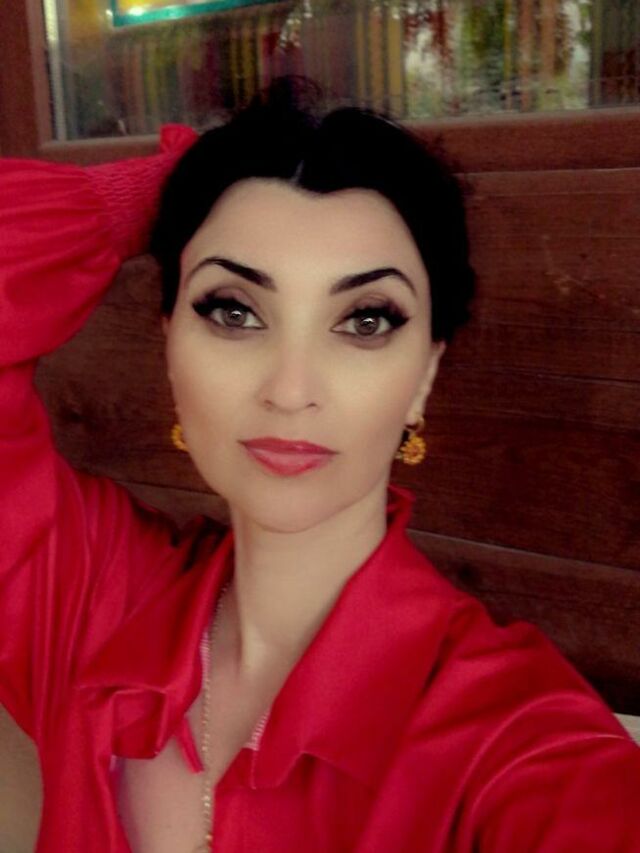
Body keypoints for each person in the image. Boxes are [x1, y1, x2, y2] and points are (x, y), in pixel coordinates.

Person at [1, 78, 639, 853]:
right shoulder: (88, 600)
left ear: (426, 372)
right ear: (170, 343)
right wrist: (138, 200)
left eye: (365, 320)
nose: (290, 388)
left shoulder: (519, 744)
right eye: (234, 310)